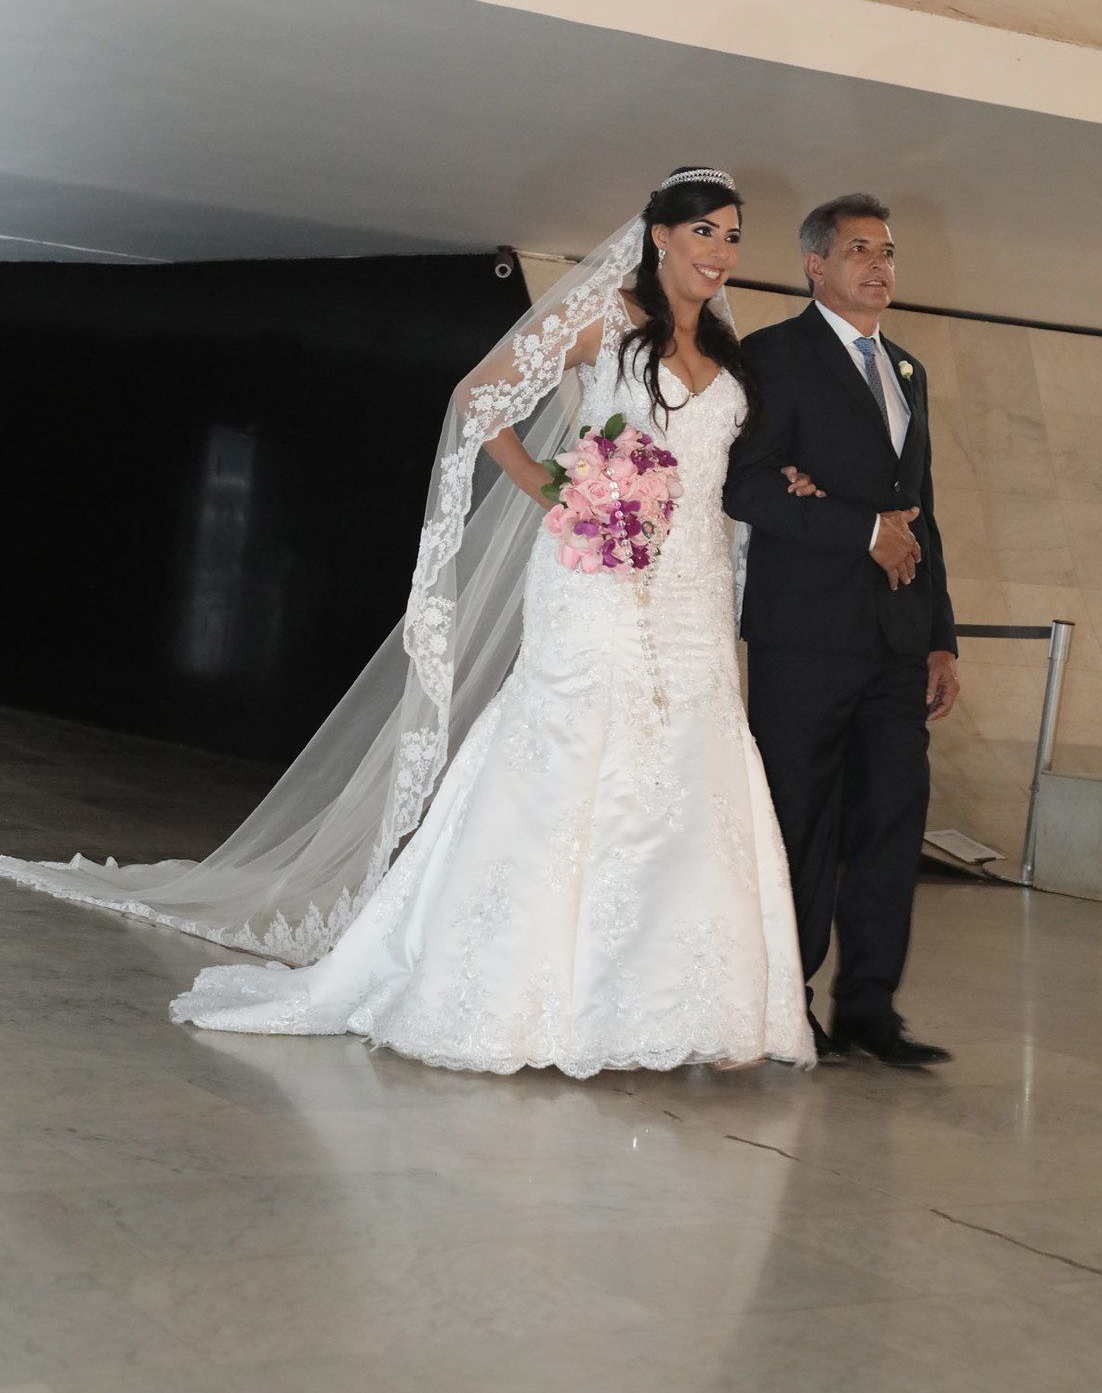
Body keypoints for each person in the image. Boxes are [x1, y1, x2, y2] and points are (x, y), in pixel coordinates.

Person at [1, 167, 812, 1077]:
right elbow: (479, 398)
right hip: (598, 576)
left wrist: (790, 482)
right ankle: (533, 995)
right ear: (660, 236)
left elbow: (727, 469)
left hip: (693, 584)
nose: (721, 253)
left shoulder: (734, 354)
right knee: (581, 747)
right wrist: (556, 487)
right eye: (704, 232)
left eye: (734, 237)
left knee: (691, 758)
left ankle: (690, 1002)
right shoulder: (611, 320)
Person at [723, 193, 958, 1068]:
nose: (880, 264)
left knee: (893, 823)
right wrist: (860, 529)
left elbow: (922, 515)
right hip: (805, 635)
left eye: (889, 250)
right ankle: (791, 1005)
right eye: (860, 249)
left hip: (897, 642)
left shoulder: (908, 370)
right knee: (802, 826)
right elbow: (745, 487)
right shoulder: (772, 357)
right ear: (815, 265)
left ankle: (870, 1008)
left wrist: (941, 636)